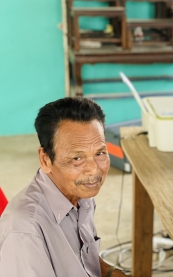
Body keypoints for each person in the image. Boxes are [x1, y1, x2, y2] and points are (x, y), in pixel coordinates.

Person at [0, 97, 125, 277]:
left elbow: (83, 262)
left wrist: (112, 273)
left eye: (100, 153)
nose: (94, 169)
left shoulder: (82, 194)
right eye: (77, 158)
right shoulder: (25, 231)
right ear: (45, 159)